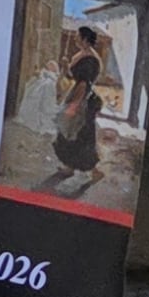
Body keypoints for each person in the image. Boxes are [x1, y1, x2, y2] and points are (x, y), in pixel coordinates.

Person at [46, 16, 108, 193]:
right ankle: (70, 167)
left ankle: (94, 171)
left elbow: (83, 83)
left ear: (85, 39)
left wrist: (74, 106)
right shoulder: (80, 55)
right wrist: (66, 66)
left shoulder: (91, 59)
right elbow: (72, 77)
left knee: (81, 134)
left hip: (83, 99)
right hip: (75, 94)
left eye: (77, 36)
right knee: (68, 131)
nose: (74, 39)